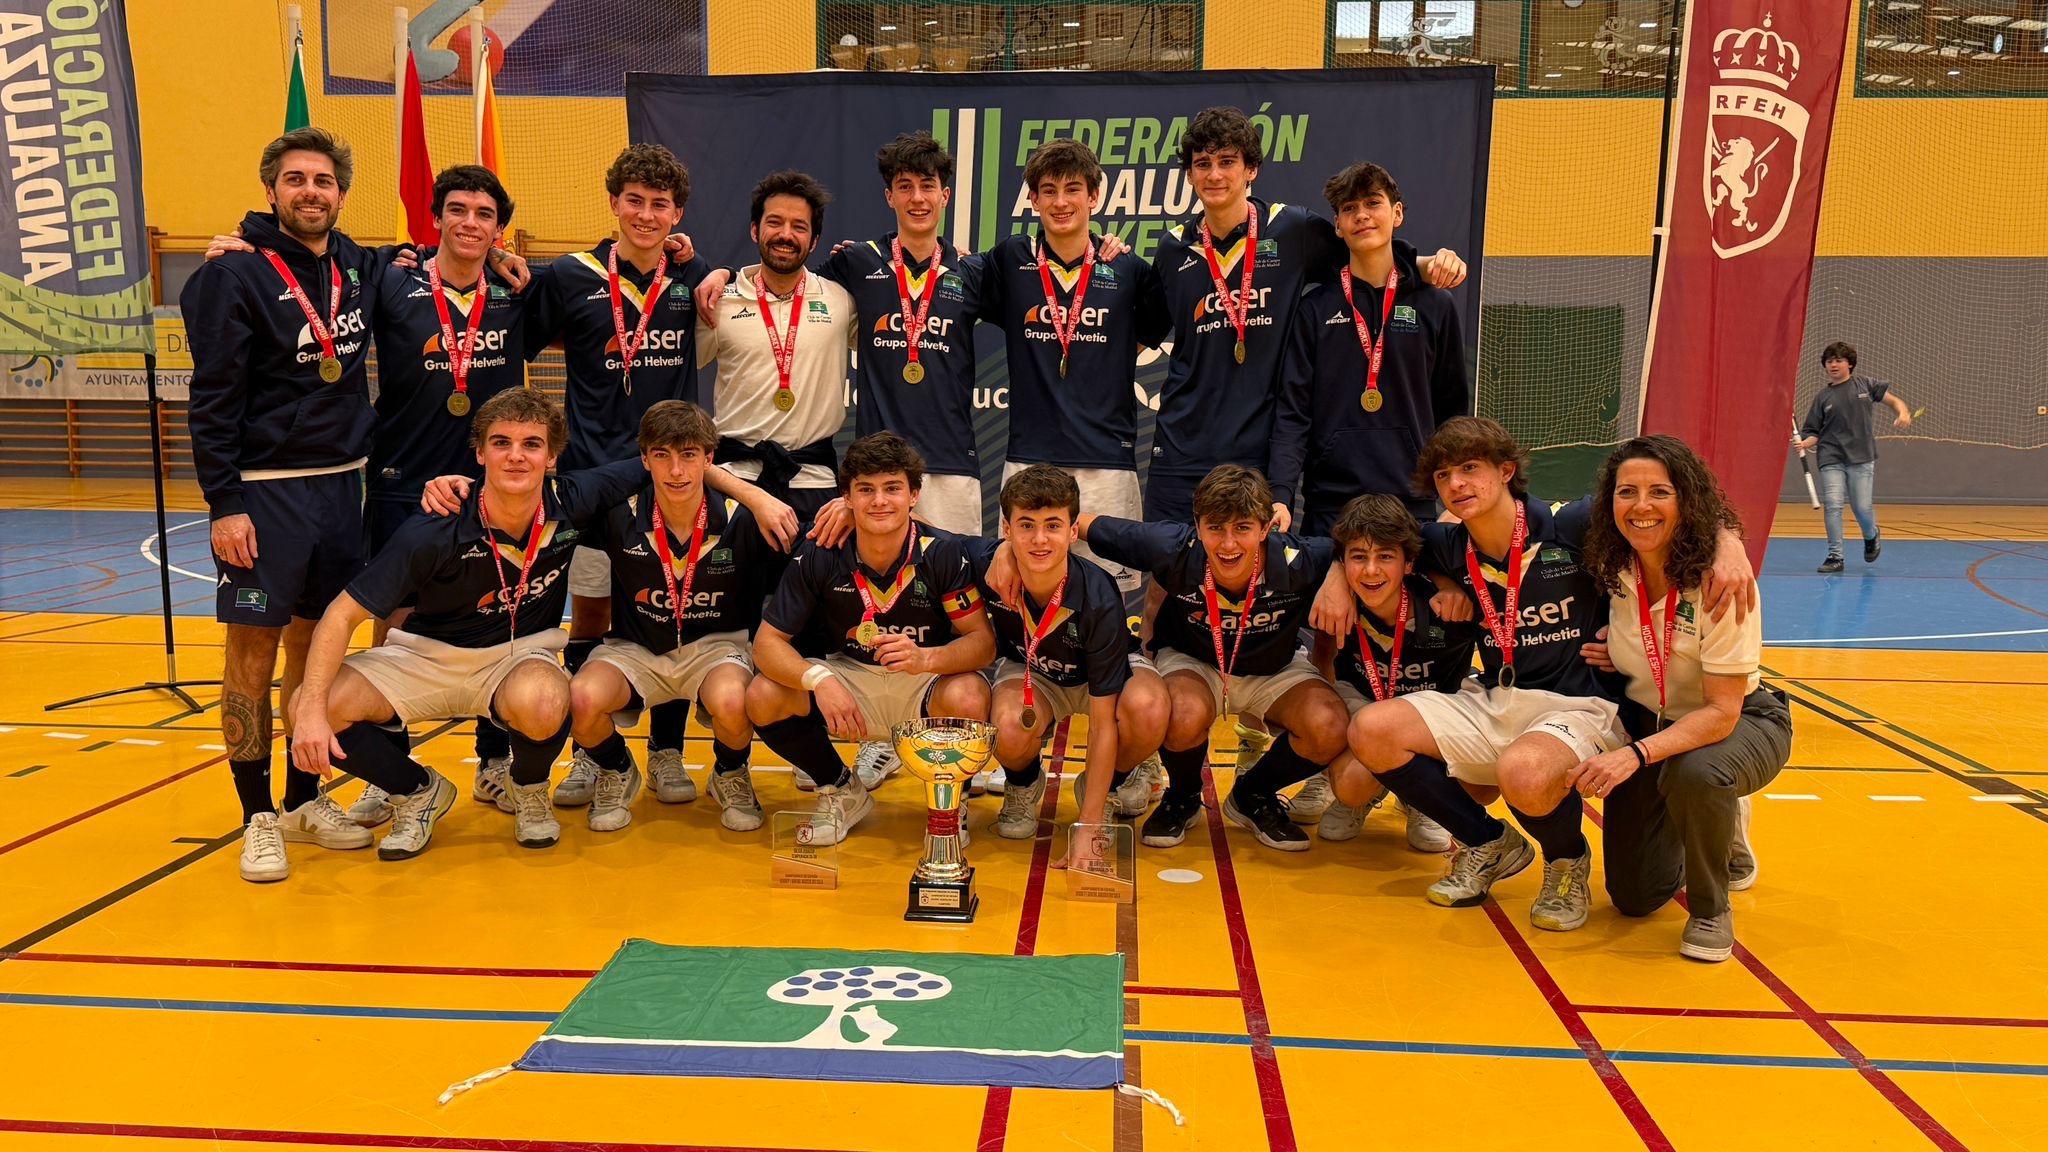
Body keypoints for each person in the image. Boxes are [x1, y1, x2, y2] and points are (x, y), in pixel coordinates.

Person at [1327, 417, 1756, 931]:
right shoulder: (1444, 543)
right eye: (1444, 476)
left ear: (1506, 470)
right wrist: (1339, 576)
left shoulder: (1570, 523)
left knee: (1524, 774)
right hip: (1496, 696)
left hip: (1581, 705)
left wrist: (1729, 542)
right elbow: (1371, 536)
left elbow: (1665, 511)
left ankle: (1565, 860)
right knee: (1371, 729)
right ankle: (1488, 843)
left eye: (1470, 469)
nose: (1457, 485)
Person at [527, 145, 792, 811]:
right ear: (614, 202)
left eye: (661, 204)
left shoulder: (694, 278)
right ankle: (593, 756)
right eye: (636, 201)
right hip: (593, 473)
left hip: (670, 473)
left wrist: (716, 265)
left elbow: (735, 283)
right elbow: (514, 340)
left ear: (679, 213)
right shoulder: (569, 276)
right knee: (591, 610)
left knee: (668, 608)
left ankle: (667, 751)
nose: (647, 214)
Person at [288, 390, 647, 862]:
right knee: (306, 706)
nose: (516, 455)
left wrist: (757, 502)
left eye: (531, 444)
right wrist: (312, 711)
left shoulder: (574, 502)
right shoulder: (436, 525)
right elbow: (340, 614)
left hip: (519, 656)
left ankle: (529, 788)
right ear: (479, 454)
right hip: (426, 656)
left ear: (552, 455)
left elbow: (672, 462)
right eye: (501, 443)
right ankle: (419, 791)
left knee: (546, 698)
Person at [182, 127, 389, 882]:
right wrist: (224, 502)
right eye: (297, 179)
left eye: (325, 182)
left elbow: (429, 265)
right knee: (250, 655)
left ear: (340, 194)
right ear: (271, 189)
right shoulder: (230, 276)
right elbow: (211, 399)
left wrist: (498, 257)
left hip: (344, 487)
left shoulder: (357, 267)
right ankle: (256, 815)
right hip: (265, 499)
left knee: (317, 649)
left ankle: (303, 800)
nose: (311, 192)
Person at [700, 136, 988, 536]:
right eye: (905, 187)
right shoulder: (857, 263)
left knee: (955, 584)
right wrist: (723, 273)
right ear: (889, 196)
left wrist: (1105, 247)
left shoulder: (973, 271)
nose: (917, 198)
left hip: (953, 464)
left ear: (946, 195)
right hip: (875, 471)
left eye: (927, 186)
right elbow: (784, 270)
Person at [1573, 435, 1790, 962]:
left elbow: (1721, 711)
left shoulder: (1721, 580)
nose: (1641, 506)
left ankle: (1712, 908)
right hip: (1657, 723)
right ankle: (1702, 823)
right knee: (1634, 897)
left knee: (1697, 774)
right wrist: (1621, 655)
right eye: (1627, 492)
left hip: (1738, 725)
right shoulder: (1613, 562)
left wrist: (1728, 538)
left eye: (1659, 492)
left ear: (1686, 502)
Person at [1079, 465, 1349, 851]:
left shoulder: (1300, 560)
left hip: (1274, 669)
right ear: (1197, 525)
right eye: (1215, 528)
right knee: (1180, 713)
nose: (1227, 544)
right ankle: (1183, 796)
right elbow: (1078, 522)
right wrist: (1008, 548)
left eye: (1242, 528)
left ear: (1265, 527)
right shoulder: (1172, 546)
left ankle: (1252, 795)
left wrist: (1340, 569)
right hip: (1195, 663)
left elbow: (1366, 542)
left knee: (1331, 725)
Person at [746, 433, 995, 844]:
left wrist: (927, 659)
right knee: (763, 694)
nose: (879, 501)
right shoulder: (821, 552)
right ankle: (842, 791)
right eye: (866, 490)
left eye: (892, 488)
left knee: (969, 695)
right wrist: (817, 680)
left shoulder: (943, 553)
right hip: (851, 676)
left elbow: (981, 643)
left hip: (923, 680)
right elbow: (767, 644)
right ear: (846, 497)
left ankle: (949, 807)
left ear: (914, 495)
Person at [567, 401, 775, 834]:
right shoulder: (617, 514)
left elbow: (820, 541)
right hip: (634, 650)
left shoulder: (744, 521)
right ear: (643, 460)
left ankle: (729, 774)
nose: (676, 471)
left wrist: (848, 509)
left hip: (715, 650)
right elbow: (539, 502)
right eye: (662, 455)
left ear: (709, 459)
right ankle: (618, 770)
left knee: (737, 702)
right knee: (581, 699)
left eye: (689, 455)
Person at [982, 139, 1172, 601]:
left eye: (1073, 189)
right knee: (1027, 593)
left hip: (1107, 461)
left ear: (1094, 196)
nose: (1061, 202)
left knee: (1109, 595)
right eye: (1048, 191)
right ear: (1033, 200)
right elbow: (944, 275)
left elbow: (1149, 332)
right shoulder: (1010, 260)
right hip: (1030, 456)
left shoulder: (1128, 269)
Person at [969, 466, 1169, 848]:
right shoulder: (985, 563)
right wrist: (850, 510)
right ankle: (1023, 784)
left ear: (1073, 531)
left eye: (1053, 525)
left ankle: (1104, 787)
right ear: (1006, 531)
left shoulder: (1098, 594)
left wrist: (1088, 826)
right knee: (1009, 727)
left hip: (1102, 673)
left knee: (1149, 708)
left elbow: (1101, 724)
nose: (1039, 539)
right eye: (1026, 525)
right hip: (1034, 670)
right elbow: (927, 537)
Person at [1270, 162, 1468, 532]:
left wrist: (1460, 497)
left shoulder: (1436, 305)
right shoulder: (1314, 310)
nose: (1361, 215)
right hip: (1331, 505)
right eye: (1349, 208)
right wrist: (1280, 494)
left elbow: (1452, 412)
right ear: (1337, 226)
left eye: (1372, 203)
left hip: (1413, 503)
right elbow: (1293, 413)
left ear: (1397, 213)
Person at [1309, 495, 1477, 847]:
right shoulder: (1336, 601)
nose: (1371, 570)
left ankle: (1424, 798)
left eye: (1385, 556)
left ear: (1409, 563)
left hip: (1432, 718)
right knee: (1352, 782)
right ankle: (1367, 795)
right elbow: (1322, 659)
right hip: (1365, 710)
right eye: (1359, 558)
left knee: (1483, 784)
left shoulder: (1446, 604)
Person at [1796, 341, 1912, 574]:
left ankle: (1871, 535)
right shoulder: (1822, 397)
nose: (1833, 365)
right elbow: (1812, 431)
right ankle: (1835, 556)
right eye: (1829, 361)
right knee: (1834, 505)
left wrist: (1903, 412)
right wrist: (1807, 441)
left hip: (1861, 457)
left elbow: (1893, 401)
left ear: (1849, 363)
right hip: (1831, 456)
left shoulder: (1866, 385)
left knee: (1861, 507)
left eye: (1838, 360)